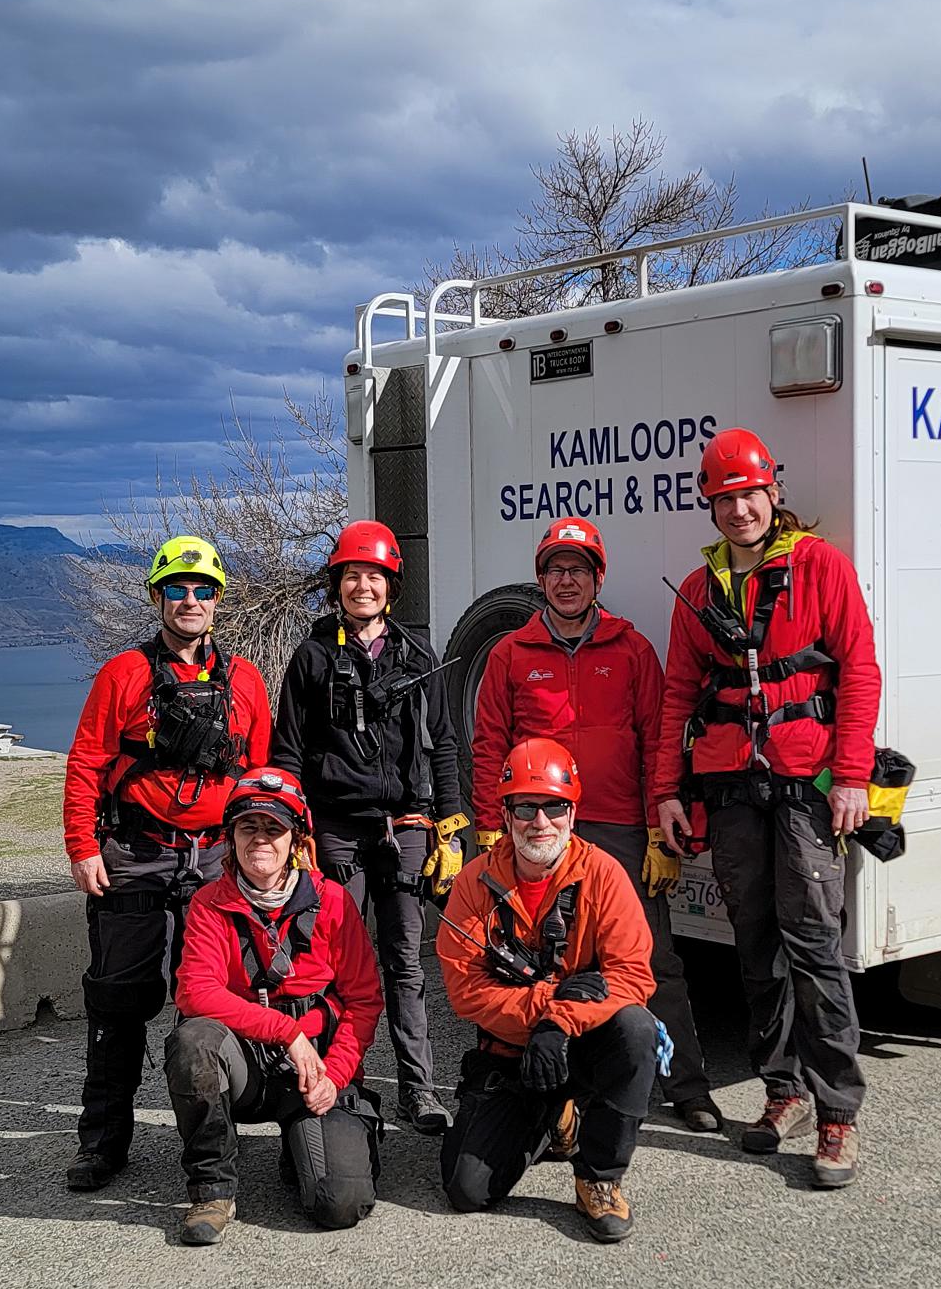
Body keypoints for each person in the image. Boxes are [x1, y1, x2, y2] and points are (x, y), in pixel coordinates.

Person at [653, 427, 882, 1190]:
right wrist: (667, 794)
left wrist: (852, 775)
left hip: (809, 790)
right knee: (755, 949)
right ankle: (781, 1092)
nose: (739, 509)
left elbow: (860, 670)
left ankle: (837, 1110)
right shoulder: (698, 589)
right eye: (724, 499)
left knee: (815, 945)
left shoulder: (820, 567)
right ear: (710, 506)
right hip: (731, 792)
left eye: (749, 494)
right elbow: (677, 699)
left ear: (772, 494)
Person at [469, 515, 723, 1132]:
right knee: (530, 960)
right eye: (555, 570)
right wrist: (488, 829)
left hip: (618, 825)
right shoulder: (510, 653)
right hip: (538, 828)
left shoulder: (632, 650)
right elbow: (488, 745)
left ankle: (687, 1087)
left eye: (577, 570)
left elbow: (660, 738)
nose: (565, 581)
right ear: (540, 580)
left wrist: (662, 826)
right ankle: (537, 1085)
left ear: (597, 578)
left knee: (651, 960)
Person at [60, 534, 271, 1192]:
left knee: (205, 1011)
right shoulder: (123, 674)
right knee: (117, 1004)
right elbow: (87, 763)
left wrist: (271, 857)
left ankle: (206, 1153)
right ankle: (102, 1142)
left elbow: (264, 777)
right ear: (156, 597)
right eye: (176, 588)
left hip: (214, 857)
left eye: (203, 589)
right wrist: (83, 847)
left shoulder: (245, 681)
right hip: (136, 853)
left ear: (218, 602)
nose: (189, 599)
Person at [271, 519, 467, 1135]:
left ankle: (419, 1091)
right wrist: (291, 830)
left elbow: (444, 747)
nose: (363, 586)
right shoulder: (312, 658)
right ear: (338, 584)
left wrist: (451, 825)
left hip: (406, 825)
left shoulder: (417, 658)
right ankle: (343, 1084)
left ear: (391, 586)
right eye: (353, 575)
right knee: (335, 963)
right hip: (334, 829)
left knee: (405, 960)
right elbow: (287, 752)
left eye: (374, 576)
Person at [436, 738, 658, 1243]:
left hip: (580, 1043)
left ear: (573, 812)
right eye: (526, 807)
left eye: (554, 806)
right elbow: (466, 991)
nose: (541, 822)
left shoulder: (603, 875)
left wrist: (561, 1024)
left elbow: (633, 976)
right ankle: (553, 1118)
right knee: (466, 1190)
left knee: (636, 1029)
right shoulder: (474, 884)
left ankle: (598, 1177)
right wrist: (547, 1007)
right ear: (507, 814)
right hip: (509, 1053)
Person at [164, 767, 385, 1245]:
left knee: (337, 1203)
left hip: (316, 1070)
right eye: (248, 827)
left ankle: (302, 1140)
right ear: (231, 838)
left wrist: (337, 1073)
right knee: (193, 1039)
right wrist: (286, 1033)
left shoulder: (333, 902)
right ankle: (212, 1189)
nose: (259, 839)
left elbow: (364, 1000)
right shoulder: (208, 903)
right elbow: (194, 992)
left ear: (297, 841)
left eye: (274, 828)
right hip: (247, 1066)